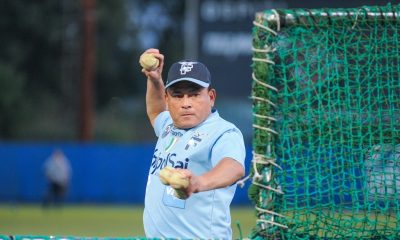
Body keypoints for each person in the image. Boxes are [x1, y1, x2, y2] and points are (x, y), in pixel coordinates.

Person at [140, 48, 246, 239]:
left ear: (211, 97)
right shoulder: (168, 125)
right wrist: (155, 79)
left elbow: (233, 168)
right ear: (167, 99)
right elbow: (156, 111)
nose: (185, 103)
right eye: (178, 95)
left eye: (194, 94)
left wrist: (199, 182)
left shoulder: (224, 132)